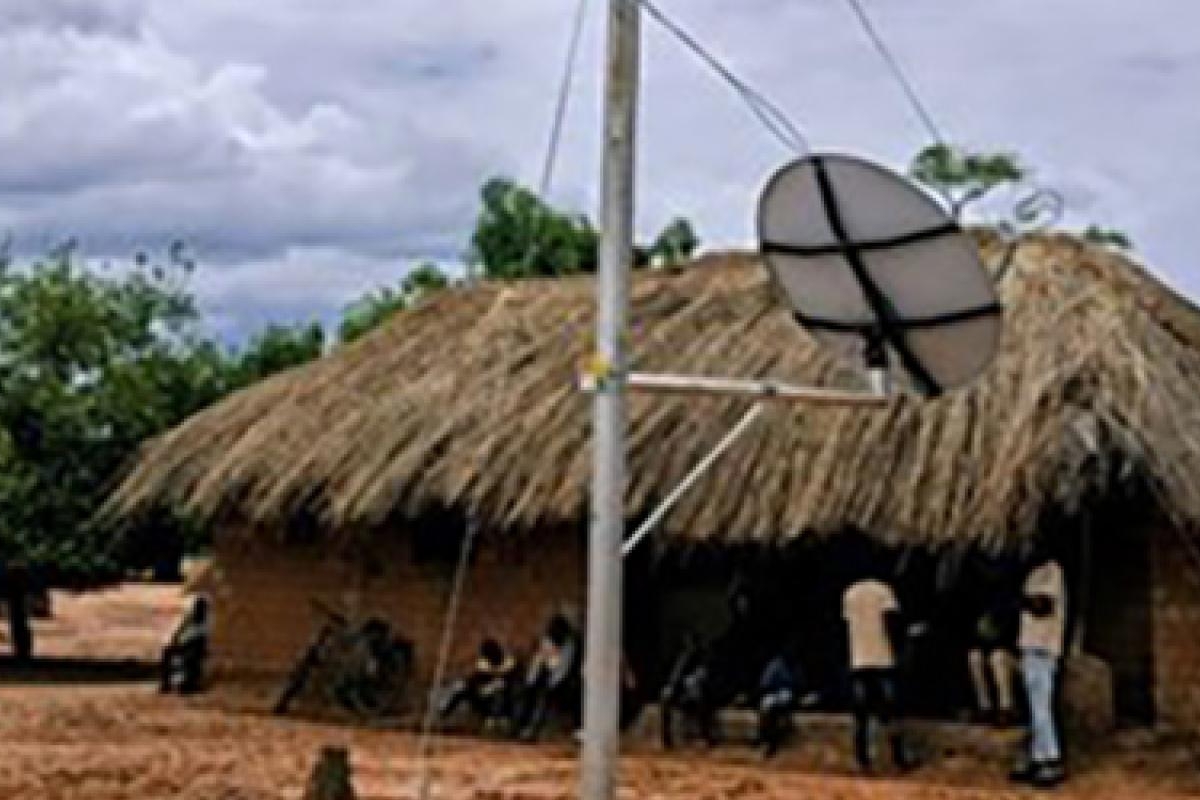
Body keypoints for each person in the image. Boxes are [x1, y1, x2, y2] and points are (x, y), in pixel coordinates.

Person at [843, 573, 910, 774]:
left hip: (859, 657)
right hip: (883, 657)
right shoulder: (884, 591)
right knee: (890, 710)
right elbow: (893, 623)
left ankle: (862, 759)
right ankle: (896, 758)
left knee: (861, 713)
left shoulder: (850, 593)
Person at [1011, 545, 1067, 788]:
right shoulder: (1032, 575)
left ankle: (1051, 759)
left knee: (1042, 707)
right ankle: (1037, 757)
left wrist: (1018, 600)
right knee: (1034, 707)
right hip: (1030, 646)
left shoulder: (1052, 571)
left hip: (1044, 648)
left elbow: (1043, 605)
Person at [517, 612, 581, 741]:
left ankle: (532, 729)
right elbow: (537, 663)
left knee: (544, 698)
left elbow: (564, 667)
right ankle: (520, 726)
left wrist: (551, 685)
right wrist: (530, 683)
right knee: (526, 695)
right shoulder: (547, 641)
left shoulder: (569, 643)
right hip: (545, 677)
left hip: (564, 682)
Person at [438, 638, 518, 732]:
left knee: (500, 689)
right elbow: (473, 682)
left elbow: (511, 681)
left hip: (503, 700)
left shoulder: (509, 663)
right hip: (484, 697)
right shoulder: (484, 665)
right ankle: (443, 714)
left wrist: (497, 681)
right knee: (462, 690)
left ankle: (500, 721)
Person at [967, 596, 1019, 726]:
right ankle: (985, 708)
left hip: (1017, 658)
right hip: (991, 652)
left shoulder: (1012, 609)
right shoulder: (981, 611)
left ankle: (1006, 708)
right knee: (974, 657)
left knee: (998, 657)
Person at [160, 596, 210, 694]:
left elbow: (179, 629)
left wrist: (172, 640)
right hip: (189, 641)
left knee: (182, 661)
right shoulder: (201, 620)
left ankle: (174, 684)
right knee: (187, 663)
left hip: (189, 642)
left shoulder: (199, 620)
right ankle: (177, 683)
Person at [755, 650, 800, 758]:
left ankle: (772, 738)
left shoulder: (795, 666)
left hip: (787, 691)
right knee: (765, 705)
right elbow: (765, 683)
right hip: (773, 692)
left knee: (784, 698)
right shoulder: (775, 664)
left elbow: (799, 683)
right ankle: (763, 735)